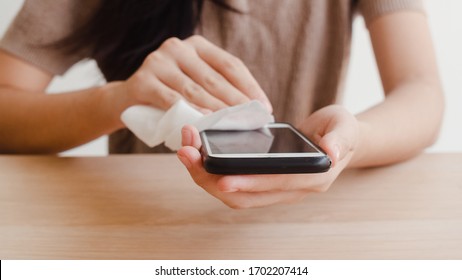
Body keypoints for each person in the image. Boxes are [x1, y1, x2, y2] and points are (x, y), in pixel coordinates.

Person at [0, 0, 444, 208]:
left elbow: (422, 91)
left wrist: (353, 141)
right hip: (141, 228)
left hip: (302, 233)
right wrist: (118, 99)